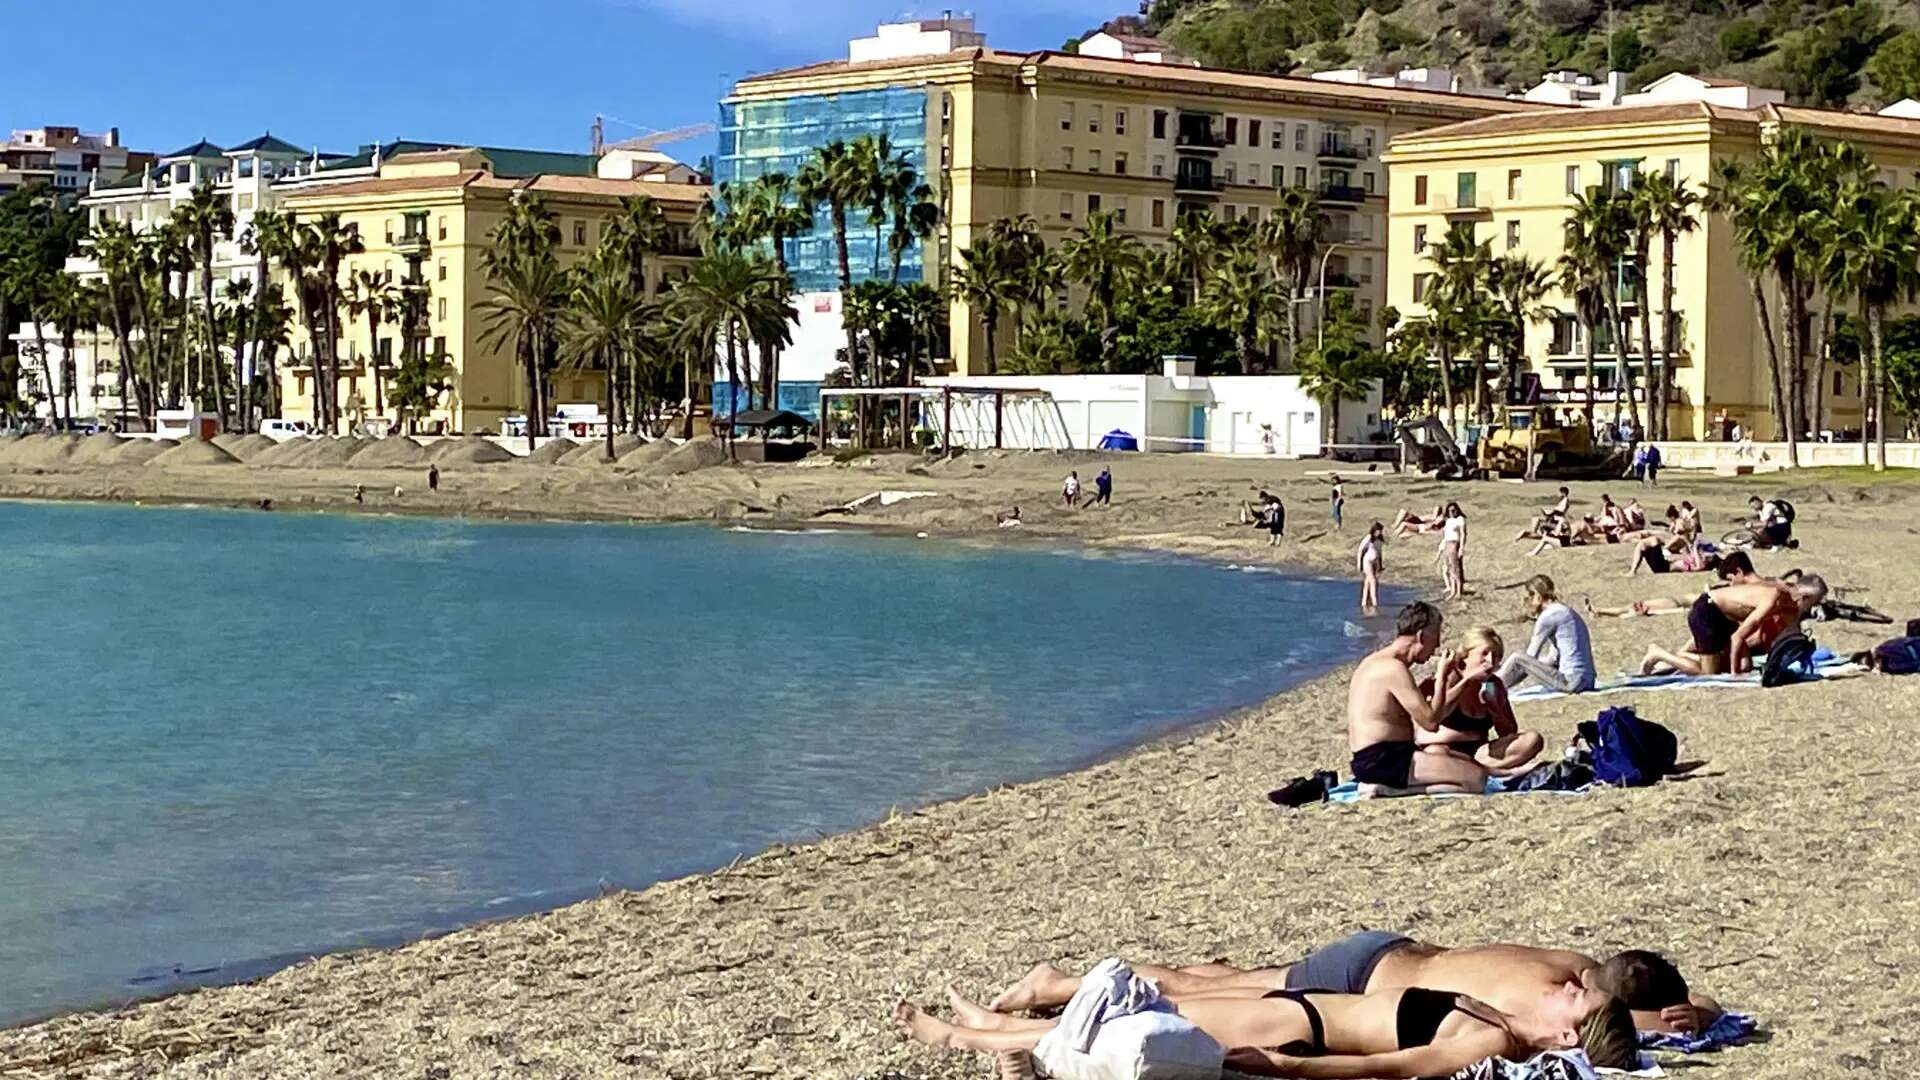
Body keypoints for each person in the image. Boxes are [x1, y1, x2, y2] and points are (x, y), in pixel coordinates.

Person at [990, 937, 1709, 1041]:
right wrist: (1667, 1024)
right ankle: (1057, 985)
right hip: (1365, 983)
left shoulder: (1568, 963)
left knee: (1224, 979)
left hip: (1384, 949)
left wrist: (1699, 1006)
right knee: (1205, 989)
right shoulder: (1554, 1005)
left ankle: (1059, 984)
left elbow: (1710, 1005)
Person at [894, 978, 1636, 1078]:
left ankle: (967, 1038)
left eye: (1576, 1001)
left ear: (1565, 1040)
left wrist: (1291, 1069)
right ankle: (996, 1027)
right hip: (1303, 1004)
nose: (1565, 989)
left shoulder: (1492, 1041)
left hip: (1299, 1026)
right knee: (1146, 1005)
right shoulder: (1496, 1017)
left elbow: (1396, 1069)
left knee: (1149, 1016)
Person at [1347, 602, 1492, 794]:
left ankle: (1391, 787)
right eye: (1436, 637)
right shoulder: (1392, 668)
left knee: (1468, 765)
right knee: (1476, 779)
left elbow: (1437, 714)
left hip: (1385, 756)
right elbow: (1430, 723)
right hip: (1382, 760)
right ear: (1421, 636)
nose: (1438, 645)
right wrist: (1441, 677)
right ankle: (1391, 790)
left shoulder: (1378, 662)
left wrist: (1463, 681)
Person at [1415, 627, 1543, 776]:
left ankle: (1481, 770)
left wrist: (1496, 710)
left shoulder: (1494, 685)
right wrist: (1467, 681)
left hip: (1479, 753)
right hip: (1442, 750)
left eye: (1495, 656)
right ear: (1466, 655)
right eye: (1484, 653)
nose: (1490, 661)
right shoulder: (1444, 680)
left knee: (1532, 740)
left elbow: (1508, 732)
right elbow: (1431, 722)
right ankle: (1494, 772)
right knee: (1435, 753)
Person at [1641, 573, 1826, 676]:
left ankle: (1685, 657)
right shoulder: (1774, 599)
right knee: (1709, 673)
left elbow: (1790, 632)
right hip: (1708, 611)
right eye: (1815, 602)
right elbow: (1739, 636)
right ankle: (1658, 653)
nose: (1815, 607)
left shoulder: (1791, 605)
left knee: (1746, 666)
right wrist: (1733, 674)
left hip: (1726, 618)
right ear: (1805, 597)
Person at [1498, 575, 1596, 694]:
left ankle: (1487, 688)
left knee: (1517, 658)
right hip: (1587, 681)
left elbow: (1529, 658)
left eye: (1528, 598)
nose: (1526, 604)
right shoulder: (1564, 611)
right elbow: (1552, 660)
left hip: (1571, 681)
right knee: (1520, 662)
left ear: (1538, 596)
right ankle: (1497, 687)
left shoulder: (1548, 616)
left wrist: (1503, 673)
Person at [1437, 503, 1467, 600]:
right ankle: (1452, 591)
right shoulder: (1448, 521)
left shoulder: (1460, 520)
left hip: (1455, 544)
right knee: (1449, 568)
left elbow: (1463, 534)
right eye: (1450, 510)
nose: (1452, 512)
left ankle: (1459, 591)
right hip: (1447, 544)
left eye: (1454, 510)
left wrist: (1461, 548)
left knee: (1456, 569)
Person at [1356, 522, 1385, 613]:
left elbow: (1379, 553)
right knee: (1373, 580)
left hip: (1374, 562)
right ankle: (1374, 601)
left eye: (1380, 531)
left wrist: (1380, 565)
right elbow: (1360, 550)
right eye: (1378, 531)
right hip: (1367, 562)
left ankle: (1364, 602)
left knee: (1368, 582)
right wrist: (1359, 563)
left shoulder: (1379, 540)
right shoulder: (1368, 538)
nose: (1379, 533)